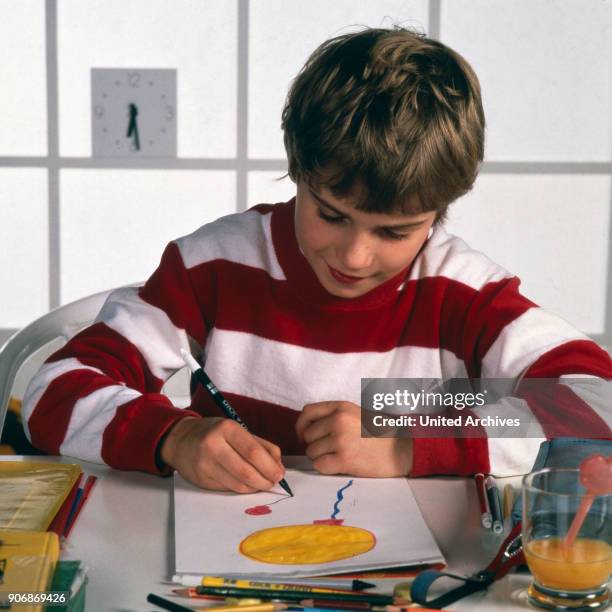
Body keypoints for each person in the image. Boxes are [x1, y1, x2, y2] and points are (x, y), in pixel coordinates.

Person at [22, 27, 611, 493]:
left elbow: (595, 404)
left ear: (439, 211)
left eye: (396, 231)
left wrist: (408, 440)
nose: (355, 257)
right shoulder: (214, 267)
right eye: (330, 214)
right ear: (297, 172)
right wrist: (173, 437)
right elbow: (53, 389)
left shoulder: (463, 294)